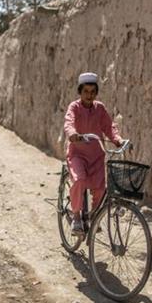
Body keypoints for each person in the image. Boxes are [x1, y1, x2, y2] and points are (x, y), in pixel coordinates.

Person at [63, 72, 124, 236]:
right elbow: (69, 122)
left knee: (100, 189)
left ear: (96, 93)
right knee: (79, 180)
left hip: (96, 155)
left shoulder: (100, 108)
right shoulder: (74, 107)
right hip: (77, 153)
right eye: (85, 91)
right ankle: (76, 216)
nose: (89, 95)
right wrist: (73, 134)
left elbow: (109, 126)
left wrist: (117, 139)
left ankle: (92, 217)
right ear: (80, 92)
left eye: (92, 92)